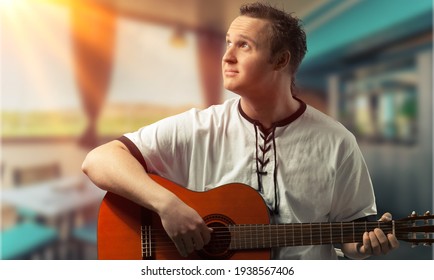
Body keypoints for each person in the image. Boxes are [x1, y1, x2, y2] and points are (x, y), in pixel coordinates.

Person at [82, 2, 399, 259]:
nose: (226, 56)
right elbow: (99, 159)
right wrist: (168, 206)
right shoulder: (199, 127)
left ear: (280, 60)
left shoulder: (337, 142)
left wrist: (363, 245)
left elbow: (352, 233)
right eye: (228, 43)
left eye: (244, 46)